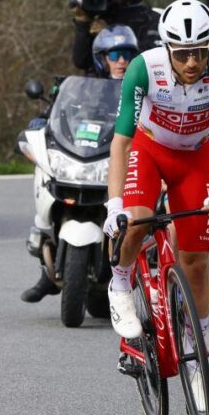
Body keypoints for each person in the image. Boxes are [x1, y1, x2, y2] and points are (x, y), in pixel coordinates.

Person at [103, 0, 209, 410]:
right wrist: (114, 202)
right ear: (167, 48)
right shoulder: (143, 69)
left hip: (192, 159)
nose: (192, 61)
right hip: (148, 151)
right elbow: (121, 141)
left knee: (195, 259)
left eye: (200, 51)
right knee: (138, 220)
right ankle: (119, 282)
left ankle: (196, 354)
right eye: (183, 53)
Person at [19, 27, 139, 303]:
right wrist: (42, 122)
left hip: (118, 157)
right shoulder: (82, 88)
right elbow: (59, 115)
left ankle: (153, 277)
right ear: (101, 58)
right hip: (83, 157)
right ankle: (47, 274)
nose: (122, 61)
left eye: (128, 55)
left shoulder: (139, 85)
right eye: (115, 55)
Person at [72, 0, 160, 73]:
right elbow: (82, 62)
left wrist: (108, 35)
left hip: (138, 89)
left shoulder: (154, 20)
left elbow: (152, 62)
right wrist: (82, 22)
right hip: (101, 89)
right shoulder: (101, 16)